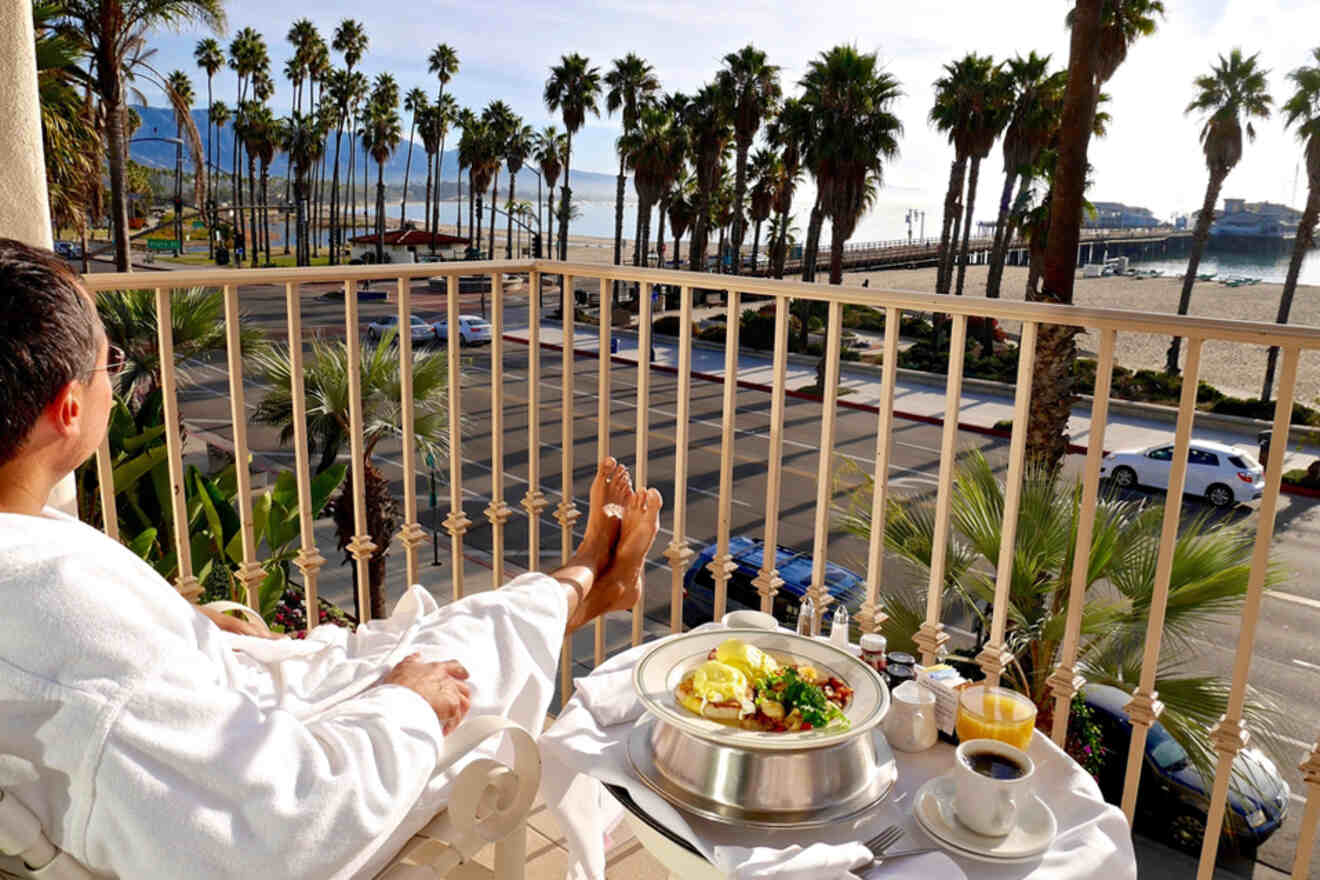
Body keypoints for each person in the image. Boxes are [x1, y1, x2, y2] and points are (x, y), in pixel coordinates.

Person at [0, 238, 663, 880]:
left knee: (420, 637)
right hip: (300, 775)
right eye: (109, 362)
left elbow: (111, 676)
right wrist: (407, 707)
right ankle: (585, 585)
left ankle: (580, 584)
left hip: (221, 713)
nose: (115, 377)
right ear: (69, 407)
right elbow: (276, 833)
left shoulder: (30, 555)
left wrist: (188, 629)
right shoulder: (73, 632)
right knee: (462, 645)